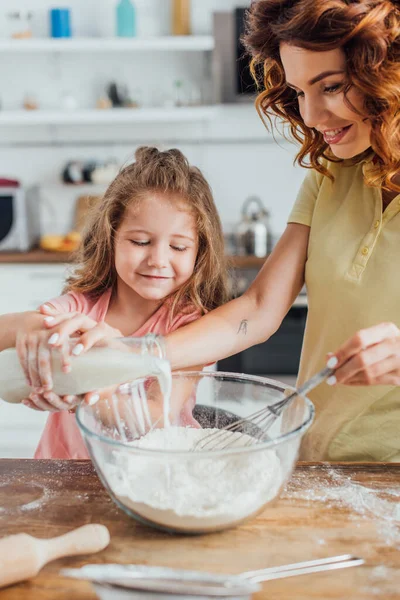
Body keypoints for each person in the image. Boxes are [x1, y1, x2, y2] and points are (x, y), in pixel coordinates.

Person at [21, 0, 399, 462]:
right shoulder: (330, 174)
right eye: (300, 92)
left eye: (332, 86)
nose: (312, 116)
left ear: (386, 70)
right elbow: (259, 308)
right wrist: (132, 353)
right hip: (315, 453)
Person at [1, 146, 228, 458]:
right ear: (110, 239)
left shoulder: (189, 325)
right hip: (68, 475)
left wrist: (89, 388)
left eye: (178, 246)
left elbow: (157, 416)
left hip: (153, 475)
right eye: (140, 242)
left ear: (199, 252)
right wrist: (34, 326)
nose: (159, 260)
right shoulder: (80, 309)